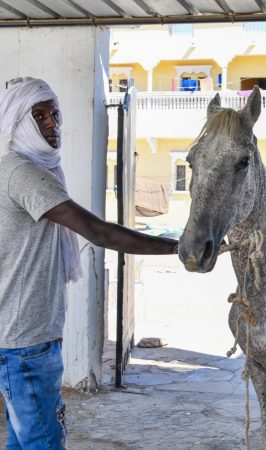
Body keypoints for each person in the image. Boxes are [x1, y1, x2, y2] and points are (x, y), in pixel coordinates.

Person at [0, 77, 178, 449]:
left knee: (24, 439)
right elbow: (100, 233)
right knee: (43, 441)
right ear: (17, 122)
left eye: (55, 114)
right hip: (25, 342)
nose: (52, 123)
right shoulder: (23, 173)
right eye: (39, 116)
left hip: (21, 337)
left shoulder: (20, 170)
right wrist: (179, 248)